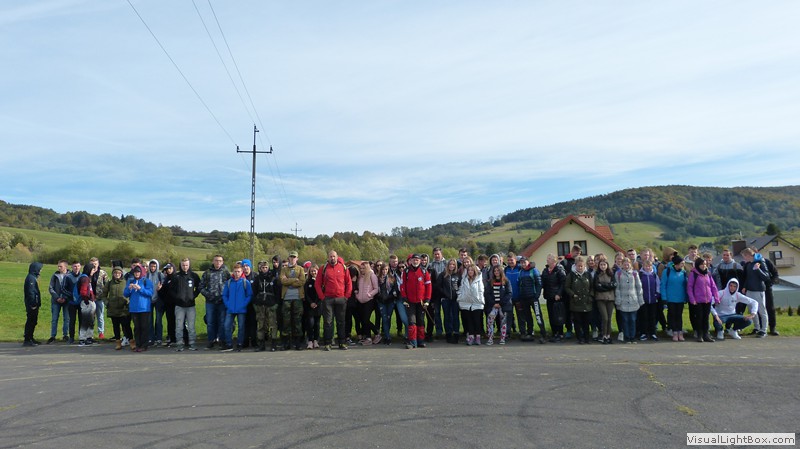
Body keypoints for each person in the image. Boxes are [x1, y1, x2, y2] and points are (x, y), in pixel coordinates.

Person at [315, 251, 353, 351]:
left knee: (341, 322)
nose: (332, 258)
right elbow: (317, 284)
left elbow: (349, 283)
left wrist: (346, 296)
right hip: (328, 299)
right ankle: (328, 343)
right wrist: (322, 297)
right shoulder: (323, 269)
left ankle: (342, 342)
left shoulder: (344, 268)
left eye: (334, 256)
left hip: (341, 299)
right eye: (330, 256)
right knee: (328, 322)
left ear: (337, 257)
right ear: (328, 258)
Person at [401, 254, 432, 349]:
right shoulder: (406, 271)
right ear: (411, 261)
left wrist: (427, 299)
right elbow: (402, 285)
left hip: (421, 302)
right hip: (410, 302)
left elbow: (428, 286)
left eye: (417, 260)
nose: (415, 261)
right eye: (414, 260)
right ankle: (412, 342)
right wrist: (404, 298)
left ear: (420, 261)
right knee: (412, 321)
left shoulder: (424, 271)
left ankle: (421, 341)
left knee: (421, 321)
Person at [200, 255, 230, 350]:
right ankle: (211, 340)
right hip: (210, 301)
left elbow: (230, 286)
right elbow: (201, 287)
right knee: (210, 322)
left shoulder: (226, 272)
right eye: (216, 261)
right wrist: (208, 295)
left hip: (222, 301)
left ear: (222, 262)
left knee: (222, 322)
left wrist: (225, 297)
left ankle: (222, 340)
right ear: (213, 261)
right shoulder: (207, 273)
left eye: (220, 261)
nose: (218, 262)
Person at [739, 248, 771, 338]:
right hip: (749, 290)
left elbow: (766, 277)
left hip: (758, 290)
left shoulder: (761, 262)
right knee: (752, 310)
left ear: (748, 255)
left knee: (762, 311)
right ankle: (757, 328)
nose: (744, 259)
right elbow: (748, 277)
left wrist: (758, 269)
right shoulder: (749, 264)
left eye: (744, 256)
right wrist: (745, 286)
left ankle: (763, 330)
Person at [222, 262, 253, 352]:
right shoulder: (229, 282)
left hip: (241, 309)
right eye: (235, 271)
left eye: (238, 271)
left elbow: (249, 295)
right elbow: (224, 295)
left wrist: (243, 304)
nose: (237, 273)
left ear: (242, 271)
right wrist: (227, 304)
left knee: (241, 327)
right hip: (230, 309)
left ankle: (240, 343)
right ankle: (229, 343)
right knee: (227, 326)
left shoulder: (245, 282)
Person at [171, 258, 201, 351]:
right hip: (179, 306)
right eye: (183, 265)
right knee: (179, 326)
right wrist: (177, 297)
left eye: (186, 265)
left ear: (189, 265)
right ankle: (179, 344)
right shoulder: (176, 276)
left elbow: (199, 287)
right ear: (180, 265)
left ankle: (192, 343)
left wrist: (194, 296)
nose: (185, 267)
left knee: (191, 326)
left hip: (191, 306)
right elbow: (171, 289)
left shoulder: (194, 276)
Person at [687, 257, 720, 342]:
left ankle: (706, 335)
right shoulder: (693, 274)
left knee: (706, 318)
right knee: (699, 318)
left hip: (707, 300)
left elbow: (713, 286)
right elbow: (689, 287)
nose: (704, 266)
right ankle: (699, 335)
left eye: (705, 264)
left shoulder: (708, 274)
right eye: (702, 264)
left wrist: (716, 298)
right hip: (698, 300)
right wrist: (692, 299)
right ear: (698, 265)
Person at [280, 251, 306, 350]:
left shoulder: (301, 269)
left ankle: (297, 343)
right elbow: (283, 281)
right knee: (286, 321)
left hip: (297, 298)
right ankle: (286, 343)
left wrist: (289, 281)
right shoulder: (284, 269)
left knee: (297, 320)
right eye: (291, 257)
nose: (292, 258)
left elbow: (302, 281)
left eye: (294, 257)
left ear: (297, 258)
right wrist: (294, 279)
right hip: (286, 298)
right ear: (289, 258)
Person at [253, 258, 280, 352]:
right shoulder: (257, 279)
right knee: (261, 325)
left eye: (266, 267)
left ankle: (273, 344)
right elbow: (254, 292)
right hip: (260, 305)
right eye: (262, 267)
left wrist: (276, 303)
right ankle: (261, 344)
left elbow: (278, 292)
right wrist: (255, 304)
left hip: (271, 305)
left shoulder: (273, 279)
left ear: (268, 268)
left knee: (273, 325)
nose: (264, 269)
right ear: (260, 268)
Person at [124, 265, 153, 352]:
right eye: (135, 272)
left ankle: (144, 345)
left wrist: (140, 289)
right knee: (137, 327)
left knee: (144, 327)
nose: (137, 274)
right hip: (134, 308)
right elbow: (125, 294)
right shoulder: (130, 281)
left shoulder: (146, 281)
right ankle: (138, 344)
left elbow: (150, 293)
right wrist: (129, 289)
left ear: (141, 272)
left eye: (138, 272)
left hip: (144, 308)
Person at [377, 262, 407, 346]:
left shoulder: (392, 278)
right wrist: (381, 297)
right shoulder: (378, 279)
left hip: (390, 301)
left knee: (388, 318)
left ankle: (389, 336)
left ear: (388, 270)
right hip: (381, 301)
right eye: (383, 269)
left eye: (386, 269)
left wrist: (390, 296)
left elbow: (395, 289)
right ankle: (387, 337)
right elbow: (376, 290)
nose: (384, 271)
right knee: (384, 319)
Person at [614, 257, 643, 344]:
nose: (626, 266)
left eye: (628, 264)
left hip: (633, 300)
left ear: (630, 264)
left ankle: (632, 337)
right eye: (624, 264)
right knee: (625, 320)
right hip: (623, 300)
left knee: (633, 320)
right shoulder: (618, 274)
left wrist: (640, 299)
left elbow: (639, 287)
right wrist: (618, 300)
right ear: (622, 265)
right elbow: (617, 288)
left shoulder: (635, 273)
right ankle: (627, 337)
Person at [103, 265, 132, 350]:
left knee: (126, 326)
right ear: (113, 274)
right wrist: (107, 303)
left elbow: (130, 293)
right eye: (115, 273)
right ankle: (118, 343)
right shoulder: (109, 283)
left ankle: (131, 342)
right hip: (113, 309)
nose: (117, 274)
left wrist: (128, 302)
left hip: (124, 309)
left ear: (121, 274)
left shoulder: (126, 282)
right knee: (116, 327)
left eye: (119, 273)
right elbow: (103, 295)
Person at [565, 256, 593, 345]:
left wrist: (590, 296)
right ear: (575, 265)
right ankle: (579, 338)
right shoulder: (571, 275)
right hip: (576, 302)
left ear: (584, 266)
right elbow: (567, 287)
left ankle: (587, 338)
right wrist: (573, 295)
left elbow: (592, 287)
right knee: (577, 321)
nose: (580, 268)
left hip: (586, 302)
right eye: (578, 266)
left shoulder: (588, 275)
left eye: (582, 266)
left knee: (586, 321)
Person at [661, 253, 689, 342]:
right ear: (676, 264)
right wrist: (664, 298)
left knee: (679, 316)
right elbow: (663, 285)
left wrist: (686, 297)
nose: (683, 265)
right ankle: (674, 332)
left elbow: (685, 286)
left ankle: (680, 331)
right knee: (672, 315)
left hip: (680, 298)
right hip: (670, 298)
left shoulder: (683, 272)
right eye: (681, 263)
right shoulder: (667, 271)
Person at [517, 257, 545, 343]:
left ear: (528, 262)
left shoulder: (534, 270)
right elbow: (519, 284)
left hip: (533, 298)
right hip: (524, 298)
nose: (523, 264)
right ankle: (530, 333)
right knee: (527, 316)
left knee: (538, 315)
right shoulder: (521, 272)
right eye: (521, 262)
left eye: (524, 262)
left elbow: (539, 284)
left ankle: (543, 334)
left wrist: (536, 295)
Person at [457, 263, 485, 346]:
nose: (470, 271)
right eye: (469, 270)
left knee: (477, 321)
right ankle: (471, 336)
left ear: (475, 271)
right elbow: (461, 288)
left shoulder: (478, 279)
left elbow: (481, 290)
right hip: (466, 303)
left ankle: (478, 337)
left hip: (477, 303)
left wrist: (480, 300)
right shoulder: (464, 279)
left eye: (472, 270)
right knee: (469, 321)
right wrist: (460, 297)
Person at [484, 265, 512, 345]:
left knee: (503, 322)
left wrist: (500, 304)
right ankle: (490, 338)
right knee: (490, 322)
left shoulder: (506, 281)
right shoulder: (490, 282)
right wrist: (494, 303)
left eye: (498, 270)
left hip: (503, 306)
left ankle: (502, 338)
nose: (496, 272)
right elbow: (487, 293)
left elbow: (509, 293)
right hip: (492, 305)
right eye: (495, 271)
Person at [541, 254, 567, 342]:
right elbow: (542, 282)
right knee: (551, 315)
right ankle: (554, 333)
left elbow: (563, 283)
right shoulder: (545, 271)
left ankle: (560, 333)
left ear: (554, 260)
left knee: (558, 316)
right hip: (549, 296)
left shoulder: (559, 270)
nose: (547, 260)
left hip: (557, 297)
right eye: (547, 258)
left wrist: (559, 294)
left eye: (549, 259)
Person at [354, 261, 381, 346]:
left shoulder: (372, 275)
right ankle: (368, 338)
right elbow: (358, 287)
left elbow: (376, 289)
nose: (362, 270)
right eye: (361, 268)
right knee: (363, 320)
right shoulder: (360, 277)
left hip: (369, 300)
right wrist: (357, 294)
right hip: (360, 300)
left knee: (366, 319)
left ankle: (377, 333)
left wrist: (370, 294)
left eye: (363, 268)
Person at [83, 257, 108, 339]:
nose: (94, 266)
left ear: (98, 264)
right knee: (90, 317)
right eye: (92, 264)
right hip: (90, 298)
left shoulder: (103, 273)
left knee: (100, 316)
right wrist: (90, 275)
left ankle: (101, 332)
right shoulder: (87, 273)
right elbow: (85, 283)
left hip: (99, 298)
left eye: (95, 264)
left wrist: (105, 296)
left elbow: (107, 285)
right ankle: (90, 334)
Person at [438, 258, 461, 344]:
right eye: (450, 264)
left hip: (455, 300)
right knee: (447, 317)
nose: (452, 266)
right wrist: (444, 293)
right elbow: (438, 286)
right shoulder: (443, 274)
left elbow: (460, 285)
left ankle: (456, 334)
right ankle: (448, 334)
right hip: (446, 299)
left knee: (455, 317)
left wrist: (458, 294)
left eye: (453, 264)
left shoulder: (458, 275)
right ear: (447, 265)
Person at [593, 259, 616, 344]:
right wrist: (607, 286)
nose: (603, 266)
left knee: (609, 318)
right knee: (605, 318)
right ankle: (603, 335)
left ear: (607, 265)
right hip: (600, 298)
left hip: (610, 298)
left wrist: (603, 285)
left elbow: (614, 285)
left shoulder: (611, 274)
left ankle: (608, 335)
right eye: (601, 265)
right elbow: (597, 286)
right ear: (599, 266)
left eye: (604, 264)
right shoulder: (597, 274)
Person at [426, 247, 447, 340]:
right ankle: (439, 331)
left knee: (447, 313)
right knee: (437, 312)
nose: (437, 256)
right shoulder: (430, 265)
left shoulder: (447, 263)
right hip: (435, 292)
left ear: (441, 254)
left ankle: (449, 331)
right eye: (435, 254)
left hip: (445, 291)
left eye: (438, 254)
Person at [637, 260, 661, 341]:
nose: (648, 268)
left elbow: (658, 285)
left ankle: (652, 333)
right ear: (643, 266)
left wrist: (657, 294)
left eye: (649, 266)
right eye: (646, 266)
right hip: (643, 300)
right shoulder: (640, 275)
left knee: (652, 317)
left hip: (653, 300)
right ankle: (643, 333)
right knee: (644, 317)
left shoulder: (654, 275)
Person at [47, 260, 69, 344]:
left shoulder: (70, 275)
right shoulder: (55, 275)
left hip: (67, 301)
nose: (59, 268)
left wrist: (65, 298)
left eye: (61, 266)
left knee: (67, 318)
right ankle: (53, 336)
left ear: (65, 266)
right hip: (56, 301)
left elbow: (71, 288)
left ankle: (65, 335)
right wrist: (57, 298)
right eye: (58, 266)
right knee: (54, 319)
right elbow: (51, 288)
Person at [23, 262, 43, 346]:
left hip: (34, 303)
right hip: (32, 304)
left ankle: (31, 337)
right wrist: (33, 304)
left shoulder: (33, 277)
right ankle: (27, 339)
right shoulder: (31, 278)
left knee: (34, 321)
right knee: (30, 321)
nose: (40, 270)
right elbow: (31, 292)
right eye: (40, 269)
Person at [145, 259, 165, 346]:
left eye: (154, 266)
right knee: (149, 320)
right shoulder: (147, 275)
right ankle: (151, 338)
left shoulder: (160, 275)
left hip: (158, 300)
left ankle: (159, 338)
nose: (152, 268)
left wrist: (161, 288)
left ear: (157, 266)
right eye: (151, 266)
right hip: (149, 300)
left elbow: (164, 286)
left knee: (158, 320)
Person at [62, 261, 82, 344]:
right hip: (71, 302)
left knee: (81, 320)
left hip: (81, 302)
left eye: (78, 266)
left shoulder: (83, 276)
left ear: (80, 267)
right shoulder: (67, 277)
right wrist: (72, 295)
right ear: (72, 267)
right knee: (72, 320)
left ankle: (81, 337)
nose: (76, 268)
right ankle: (71, 337)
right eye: (74, 266)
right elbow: (63, 289)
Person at [303, 264, 322, 349]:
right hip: (309, 306)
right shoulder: (308, 282)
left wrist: (316, 303)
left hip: (318, 305)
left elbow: (321, 293)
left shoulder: (321, 282)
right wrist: (311, 303)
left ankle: (316, 340)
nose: (313, 272)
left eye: (315, 271)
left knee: (317, 324)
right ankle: (310, 340)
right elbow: (306, 294)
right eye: (311, 271)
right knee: (310, 323)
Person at [160, 263, 177, 347]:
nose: (168, 270)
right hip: (168, 304)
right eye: (167, 269)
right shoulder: (166, 279)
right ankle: (172, 338)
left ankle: (182, 338)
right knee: (170, 322)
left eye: (170, 268)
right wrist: (159, 290)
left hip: (177, 304)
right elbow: (163, 293)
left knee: (179, 322)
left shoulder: (177, 278)